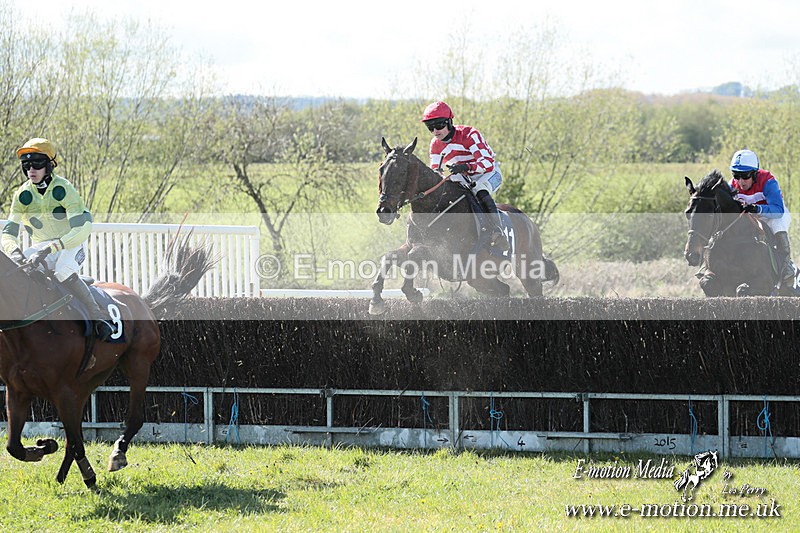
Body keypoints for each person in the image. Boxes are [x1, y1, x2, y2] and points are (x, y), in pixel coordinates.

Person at [2, 138, 114, 341]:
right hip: (43, 247)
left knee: (62, 270)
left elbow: (80, 230)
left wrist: (52, 248)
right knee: (18, 271)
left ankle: (100, 319)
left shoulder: (65, 189)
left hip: (72, 243)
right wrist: (15, 252)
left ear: (48, 165)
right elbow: (9, 232)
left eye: (36, 164)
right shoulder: (22, 195)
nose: (31, 170)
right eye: (26, 165)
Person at [421, 101, 510, 252]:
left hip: (489, 173)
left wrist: (467, 167)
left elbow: (487, 163)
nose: (435, 131)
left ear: (449, 122)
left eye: (439, 125)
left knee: (479, 189)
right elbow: (436, 171)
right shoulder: (435, 144)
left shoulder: (469, 134)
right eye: (430, 127)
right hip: (463, 176)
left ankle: (497, 232)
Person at [729, 148, 795, 282]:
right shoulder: (732, 185)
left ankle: (786, 265)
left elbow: (778, 210)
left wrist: (757, 208)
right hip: (751, 215)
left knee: (778, 225)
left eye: (745, 176)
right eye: (736, 175)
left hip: (773, 214)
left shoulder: (768, 182)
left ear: (755, 174)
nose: (741, 181)